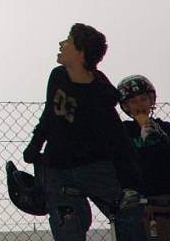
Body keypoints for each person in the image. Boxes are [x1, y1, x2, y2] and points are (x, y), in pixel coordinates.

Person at [23, 23, 146, 241]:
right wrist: (35, 145)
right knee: (67, 227)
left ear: (81, 53)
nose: (62, 44)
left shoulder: (99, 96)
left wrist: (130, 183)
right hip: (58, 171)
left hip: (95, 169)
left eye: (68, 41)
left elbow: (117, 139)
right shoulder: (58, 76)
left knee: (128, 210)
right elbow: (50, 114)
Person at [117, 75, 170, 241]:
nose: (140, 105)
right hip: (138, 205)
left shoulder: (165, 129)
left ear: (151, 101)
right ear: (126, 107)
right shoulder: (123, 132)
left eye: (143, 99)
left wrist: (159, 141)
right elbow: (125, 165)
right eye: (133, 102)